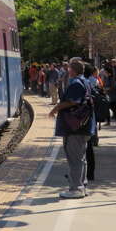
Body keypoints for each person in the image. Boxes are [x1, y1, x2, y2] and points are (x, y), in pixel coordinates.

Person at [49, 60, 93, 198]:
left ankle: (76, 188)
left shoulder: (75, 83)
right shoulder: (85, 81)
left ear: (72, 70)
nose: (67, 71)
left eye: (69, 68)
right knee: (81, 158)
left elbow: (73, 101)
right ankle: (82, 185)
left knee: (75, 158)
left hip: (75, 127)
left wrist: (56, 108)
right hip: (84, 126)